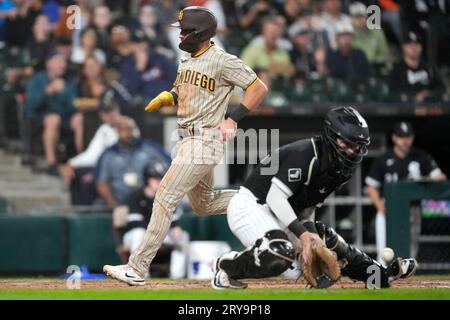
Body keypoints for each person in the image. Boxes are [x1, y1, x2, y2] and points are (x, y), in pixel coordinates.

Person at [103, 6, 268, 286]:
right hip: (187, 139)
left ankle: (136, 267)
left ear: (200, 33)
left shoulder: (222, 60)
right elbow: (184, 89)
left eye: (185, 30)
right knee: (204, 204)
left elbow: (258, 87)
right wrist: (170, 96)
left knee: (165, 196)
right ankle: (259, 202)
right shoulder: (187, 59)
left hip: (205, 139)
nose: (180, 35)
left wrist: (233, 119)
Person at [211, 107, 417, 289]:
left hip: (281, 215)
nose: (352, 151)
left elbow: (307, 208)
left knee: (326, 239)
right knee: (279, 252)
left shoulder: (339, 169)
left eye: (357, 146)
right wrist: (302, 235)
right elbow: (275, 198)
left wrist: (311, 236)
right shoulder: (306, 154)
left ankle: (380, 274)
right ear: (331, 136)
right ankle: (226, 267)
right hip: (251, 206)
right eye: (347, 143)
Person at [365, 121, 447, 263]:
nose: (405, 140)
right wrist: (381, 208)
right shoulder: (384, 159)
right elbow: (371, 186)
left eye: (407, 136)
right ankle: (383, 275)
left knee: (410, 250)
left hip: (412, 208)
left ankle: (404, 278)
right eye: (401, 136)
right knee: (384, 251)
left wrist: (423, 178)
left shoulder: (420, 157)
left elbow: (440, 177)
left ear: (412, 138)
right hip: (388, 207)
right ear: (394, 138)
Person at [113, 162, 190, 279]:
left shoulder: (167, 197)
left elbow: (174, 221)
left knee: (182, 237)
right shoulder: (135, 196)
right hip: (135, 236)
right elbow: (135, 224)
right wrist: (158, 232)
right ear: (147, 180)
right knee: (139, 233)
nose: (160, 181)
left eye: (162, 178)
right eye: (156, 178)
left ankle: (177, 277)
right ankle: (140, 274)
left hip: (159, 235)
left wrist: (176, 228)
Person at [24, 50, 82, 174]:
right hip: (39, 117)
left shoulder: (68, 81)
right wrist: (48, 91)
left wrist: (64, 93)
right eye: (58, 61)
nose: (62, 65)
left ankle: (81, 159)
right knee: (53, 119)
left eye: (63, 61)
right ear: (48, 64)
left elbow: (72, 106)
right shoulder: (37, 79)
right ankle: (52, 163)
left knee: (79, 118)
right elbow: (31, 105)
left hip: (64, 116)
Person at [95, 116, 170, 209]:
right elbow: (101, 182)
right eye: (123, 130)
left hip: (149, 201)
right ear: (117, 132)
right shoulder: (108, 155)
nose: (128, 133)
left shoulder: (150, 148)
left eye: (130, 129)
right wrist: (113, 203)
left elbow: (170, 168)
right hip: (119, 201)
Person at [61, 101, 121, 205]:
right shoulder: (104, 129)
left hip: (118, 169)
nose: (110, 115)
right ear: (102, 115)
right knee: (75, 174)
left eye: (112, 111)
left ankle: (90, 211)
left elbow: (117, 157)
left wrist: (95, 173)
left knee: (87, 181)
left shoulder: (126, 126)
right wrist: (71, 163)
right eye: (106, 112)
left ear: (118, 111)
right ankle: (80, 214)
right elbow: (92, 154)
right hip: (101, 166)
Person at [388, 31, 445, 103]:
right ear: (403, 47)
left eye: (416, 44)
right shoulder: (396, 70)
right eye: (410, 44)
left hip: (430, 107)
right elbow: (393, 93)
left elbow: (441, 88)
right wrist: (413, 97)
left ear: (421, 47)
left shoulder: (429, 67)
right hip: (407, 109)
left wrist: (428, 94)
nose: (413, 47)